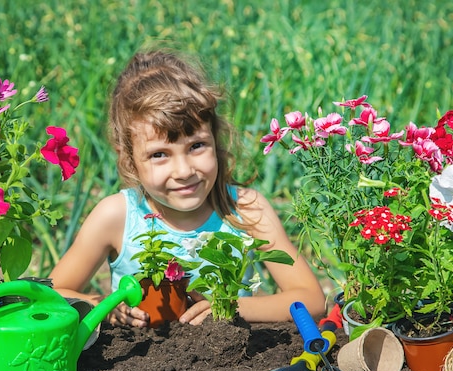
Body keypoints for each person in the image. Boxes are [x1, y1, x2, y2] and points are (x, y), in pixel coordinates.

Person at [50, 49, 325, 327]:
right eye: (159, 154)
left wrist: (230, 307)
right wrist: (106, 308)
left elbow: (312, 301)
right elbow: (54, 294)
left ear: (215, 140)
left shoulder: (245, 208)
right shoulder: (117, 216)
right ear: (128, 159)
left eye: (196, 146)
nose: (183, 172)